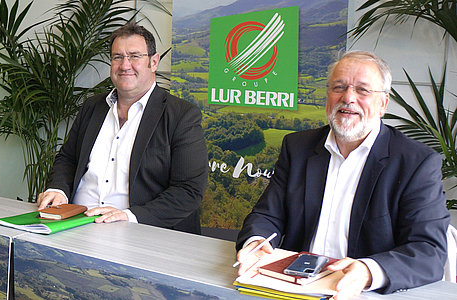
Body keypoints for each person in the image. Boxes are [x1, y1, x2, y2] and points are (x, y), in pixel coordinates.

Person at [235, 51, 449, 298]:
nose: (348, 98)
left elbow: (429, 251)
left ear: (383, 104)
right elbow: (267, 215)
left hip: (364, 293)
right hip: (293, 288)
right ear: (328, 96)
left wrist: (368, 271)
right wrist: (256, 243)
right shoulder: (298, 147)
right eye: (339, 87)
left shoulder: (416, 163)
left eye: (362, 90)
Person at [37, 22, 208, 234]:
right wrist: (58, 190)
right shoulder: (92, 107)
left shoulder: (181, 115)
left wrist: (129, 216)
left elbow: (188, 191)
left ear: (154, 62)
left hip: (139, 232)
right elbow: (68, 158)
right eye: (118, 57)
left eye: (135, 56)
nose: (125, 65)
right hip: (73, 224)